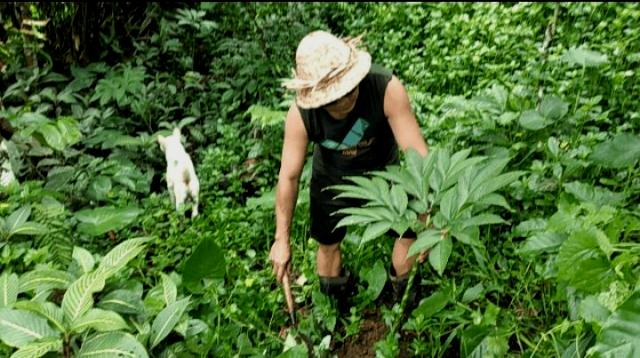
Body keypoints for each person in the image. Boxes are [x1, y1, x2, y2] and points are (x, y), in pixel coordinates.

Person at [269, 30, 428, 313]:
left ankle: (405, 307)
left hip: (384, 175)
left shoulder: (385, 88)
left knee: (408, 236)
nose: (346, 98)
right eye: (336, 96)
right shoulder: (301, 116)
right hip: (331, 180)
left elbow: (418, 157)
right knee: (327, 247)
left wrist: (428, 217)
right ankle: (335, 312)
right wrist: (281, 239)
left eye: (350, 88)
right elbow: (289, 176)